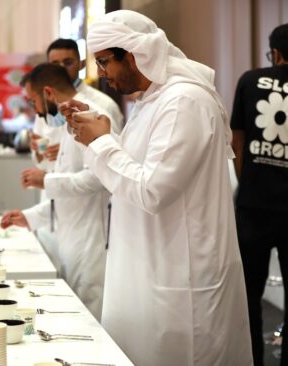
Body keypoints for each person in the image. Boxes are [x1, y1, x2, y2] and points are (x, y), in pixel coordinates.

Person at [64, 10, 252, 365]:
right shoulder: (153, 101)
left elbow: (152, 189)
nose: (101, 75)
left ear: (134, 53)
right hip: (150, 270)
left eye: (105, 62)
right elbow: (136, 170)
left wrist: (103, 142)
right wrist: (98, 134)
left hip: (181, 279)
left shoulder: (184, 101)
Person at [0, 63, 122, 319]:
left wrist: (47, 180)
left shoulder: (92, 115)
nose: (35, 111)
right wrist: (30, 217)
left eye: (34, 102)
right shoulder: (66, 123)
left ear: (48, 93)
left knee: (92, 323)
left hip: (92, 240)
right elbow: (67, 192)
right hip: (70, 236)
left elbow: (99, 178)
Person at [231, 23, 288, 366]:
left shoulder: (250, 81)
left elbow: (237, 138)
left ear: (276, 53)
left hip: (254, 203)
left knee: (249, 293)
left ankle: (252, 358)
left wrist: (248, 178)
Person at [30, 38, 123, 167]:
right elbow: (37, 152)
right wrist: (39, 151)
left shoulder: (104, 104)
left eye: (67, 62)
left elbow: (116, 157)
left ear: (82, 64)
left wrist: (66, 153)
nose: (61, 68)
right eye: (55, 64)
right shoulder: (45, 102)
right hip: (51, 180)